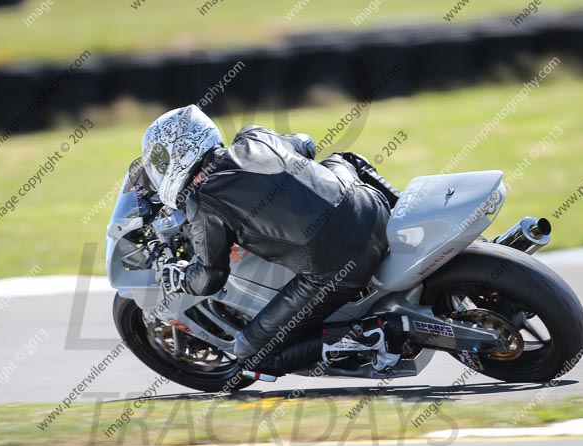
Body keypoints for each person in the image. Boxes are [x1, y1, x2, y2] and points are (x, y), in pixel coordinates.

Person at [142, 105, 404, 381]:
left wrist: (179, 276)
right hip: (371, 206)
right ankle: (405, 210)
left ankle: (372, 335)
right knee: (342, 159)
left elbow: (209, 279)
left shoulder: (202, 204)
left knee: (251, 355)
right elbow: (305, 143)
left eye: (161, 161)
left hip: (340, 264)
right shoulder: (253, 137)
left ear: (178, 157)